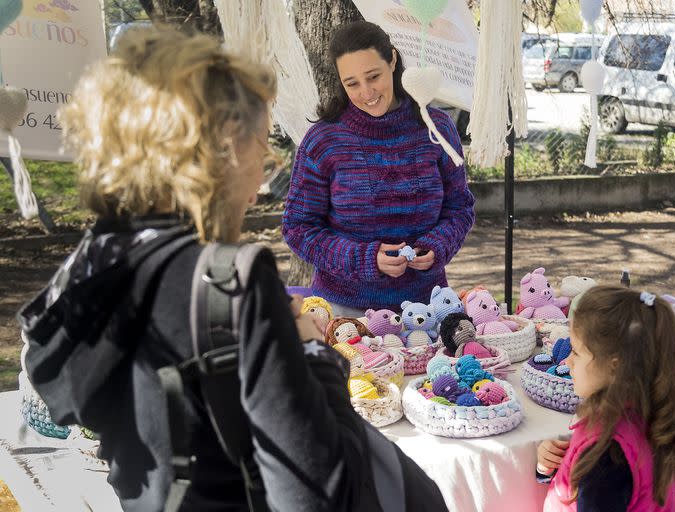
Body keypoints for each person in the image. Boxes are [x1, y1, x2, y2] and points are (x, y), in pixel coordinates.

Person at [19, 26, 446, 512]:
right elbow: (317, 489)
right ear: (217, 150)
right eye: (259, 141)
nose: (264, 164)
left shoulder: (96, 258)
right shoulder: (233, 283)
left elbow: (57, 398)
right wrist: (309, 346)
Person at [282, 21, 475, 316]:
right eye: (352, 83)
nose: (366, 92)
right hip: (343, 313)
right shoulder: (324, 140)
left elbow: (460, 207)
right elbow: (298, 228)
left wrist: (438, 245)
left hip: (427, 308)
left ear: (393, 61)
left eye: (374, 76)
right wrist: (365, 259)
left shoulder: (437, 128)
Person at [536, 286, 675, 511]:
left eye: (576, 352)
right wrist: (549, 465)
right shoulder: (643, 418)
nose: (567, 361)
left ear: (615, 368)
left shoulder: (608, 457)